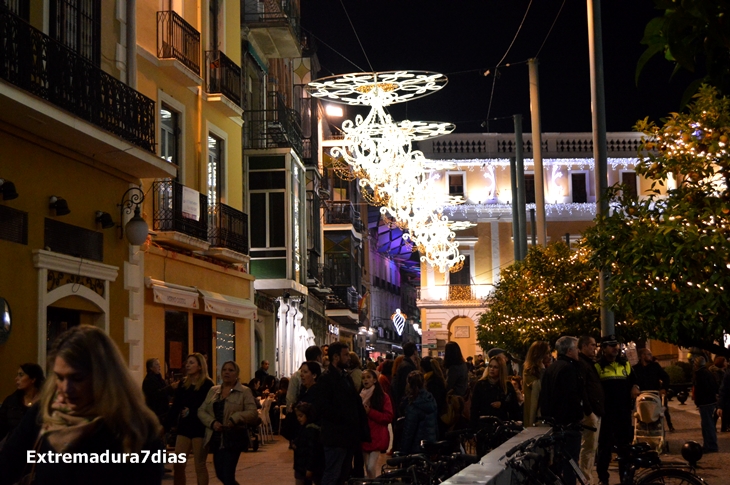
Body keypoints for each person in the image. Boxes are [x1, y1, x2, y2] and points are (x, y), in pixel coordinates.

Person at [0, 325, 163, 485]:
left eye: (77, 378)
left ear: (104, 377)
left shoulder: (137, 429)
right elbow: (8, 464)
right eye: (60, 377)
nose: (66, 388)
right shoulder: (45, 414)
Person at [316, 342, 369, 485]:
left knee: (343, 474)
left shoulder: (345, 377)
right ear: (335, 357)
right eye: (345, 355)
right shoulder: (326, 379)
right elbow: (324, 408)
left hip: (348, 436)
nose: (348, 358)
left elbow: (354, 401)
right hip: (335, 437)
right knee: (332, 473)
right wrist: (344, 418)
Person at [198, 361, 258, 485]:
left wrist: (235, 418)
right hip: (216, 439)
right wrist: (212, 423)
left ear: (237, 374)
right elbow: (202, 410)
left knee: (227, 474)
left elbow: (252, 413)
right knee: (220, 474)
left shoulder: (244, 392)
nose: (227, 372)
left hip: (233, 438)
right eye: (224, 369)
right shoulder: (214, 391)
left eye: (231, 370)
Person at [539, 336, 585, 485]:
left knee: (559, 460)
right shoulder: (568, 368)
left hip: (555, 422)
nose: (579, 351)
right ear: (569, 350)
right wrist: (578, 416)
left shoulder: (552, 368)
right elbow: (571, 396)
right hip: (568, 424)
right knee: (570, 462)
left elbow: (544, 396)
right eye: (576, 348)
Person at [594, 335, 639, 485]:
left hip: (623, 413)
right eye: (611, 346)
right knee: (604, 448)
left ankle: (625, 478)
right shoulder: (598, 367)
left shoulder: (625, 365)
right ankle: (603, 479)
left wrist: (635, 387)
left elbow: (634, 380)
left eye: (617, 346)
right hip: (607, 414)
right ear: (604, 348)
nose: (615, 349)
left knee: (624, 448)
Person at [166, 352, 214, 485]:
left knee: (199, 465)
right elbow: (176, 406)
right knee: (178, 464)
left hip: (200, 427)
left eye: (191, 362)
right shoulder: (183, 384)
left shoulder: (208, 384)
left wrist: (191, 411)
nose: (188, 365)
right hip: (184, 428)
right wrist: (166, 426)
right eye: (187, 362)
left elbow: (207, 406)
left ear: (200, 366)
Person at [576, 336, 604, 485]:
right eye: (593, 345)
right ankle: (586, 479)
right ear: (585, 346)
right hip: (590, 413)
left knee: (591, 448)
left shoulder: (587, 363)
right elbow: (583, 389)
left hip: (594, 411)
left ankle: (587, 477)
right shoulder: (582, 363)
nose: (595, 348)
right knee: (588, 448)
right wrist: (589, 412)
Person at [0, 363, 44, 444]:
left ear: (33, 379)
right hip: (14, 448)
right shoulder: (11, 401)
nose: (16, 379)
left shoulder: (45, 402)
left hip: (37, 449)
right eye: (17, 375)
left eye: (21, 375)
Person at [360, 369, 393, 478]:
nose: (365, 380)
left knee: (370, 467)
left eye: (368, 377)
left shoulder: (383, 397)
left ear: (374, 380)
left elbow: (388, 417)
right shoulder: (360, 396)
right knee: (367, 468)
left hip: (377, 436)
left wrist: (370, 412)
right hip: (364, 436)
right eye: (363, 378)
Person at [471, 356, 520, 426]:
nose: (492, 369)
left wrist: (502, 405)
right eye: (490, 366)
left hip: (502, 424)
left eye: (495, 367)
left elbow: (514, 407)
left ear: (501, 369)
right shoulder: (480, 385)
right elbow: (474, 408)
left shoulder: (507, 386)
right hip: (483, 425)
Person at [633, 348, 674, 431]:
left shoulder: (655, 366)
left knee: (663, 409)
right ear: (642, 356)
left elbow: (665, 377)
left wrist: (664, 388)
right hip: (642, 396)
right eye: (649, 354)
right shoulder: (635, 369)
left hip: (655, 394)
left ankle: (669, 425)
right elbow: (632, 381)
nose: (651, 356)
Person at [400, 371, 438, 454]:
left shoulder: (413, 404)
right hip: (430, 442)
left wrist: (403, 451)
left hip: (416, 446)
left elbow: (409, 430)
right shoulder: (430, 399)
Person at [292, 402, 324, 485]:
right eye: (297, 416)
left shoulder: (311, 430)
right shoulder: (303, 428)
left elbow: (312, 451)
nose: (298, 418)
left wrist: (310, 468)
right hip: (301, 466)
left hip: (305, 467)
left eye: (301, 416)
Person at [693, 355, 719, 453]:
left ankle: (711, 445)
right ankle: (708, 444)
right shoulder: (707, 372)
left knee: (707, 425)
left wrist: (699, 400)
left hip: (705, 402)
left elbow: (702, 389)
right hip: (708, 402)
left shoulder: (701, 374)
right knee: (707, 424)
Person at [287, 345, 324, 412]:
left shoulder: (296, 375)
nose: (302, 375)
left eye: (305, 372)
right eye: (302, 372)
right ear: (318, 357)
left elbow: (290, 400)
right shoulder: (325, 373)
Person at [143, 358, 178, 426]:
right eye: (157, 364)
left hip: (163, 411)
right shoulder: (149, 380)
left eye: (159, 364)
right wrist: (170, 387)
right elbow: (156, 394)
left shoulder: (159, 378)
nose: (159, 366)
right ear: (151, 367)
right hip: (156, 412)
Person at [522, 341, 550, 427]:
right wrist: (542, 371)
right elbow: (542, 386)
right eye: (547, 353)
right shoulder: (530, 371)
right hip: (535, 413)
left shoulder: (547, 367)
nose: (550, 356)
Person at [392, 343, 419, 414]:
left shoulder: (404, 364)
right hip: (407, 404)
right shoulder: (408, 367)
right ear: (414, 352)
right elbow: (407, 386)